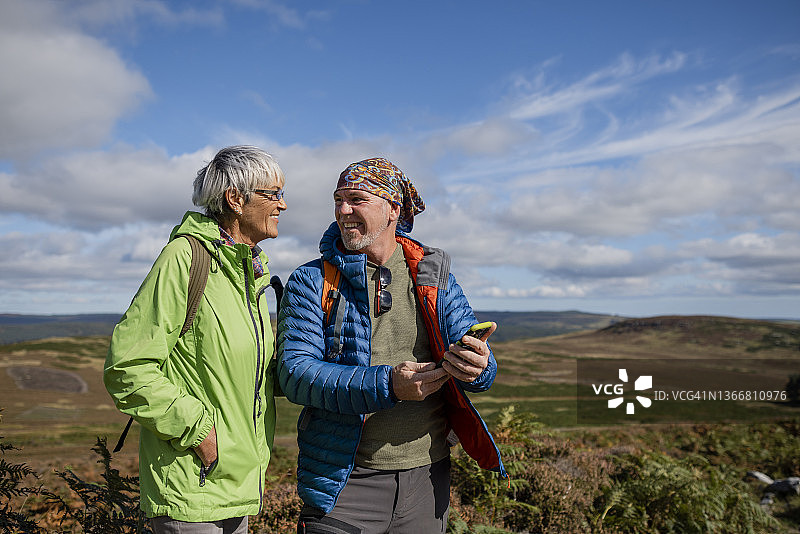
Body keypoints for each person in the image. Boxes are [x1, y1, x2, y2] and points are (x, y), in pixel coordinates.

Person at [277, 157, 506, 534]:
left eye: (357, 200)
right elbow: (296, 374)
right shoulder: (311, 280)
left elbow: (476, 354)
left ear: (392, 210)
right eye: (338, 200)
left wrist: (480, 367)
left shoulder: (432, 273)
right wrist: (388, 385)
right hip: (343, 484)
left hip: (428, 479)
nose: (343, 211)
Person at [104, 146, 287, 533]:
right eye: (272, 194)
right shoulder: (185, 259)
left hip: (236, 485)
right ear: (235, 199)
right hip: (192, 488)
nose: (282, 205)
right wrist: (199, 432)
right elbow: (128, 368)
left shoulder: (248, 271)